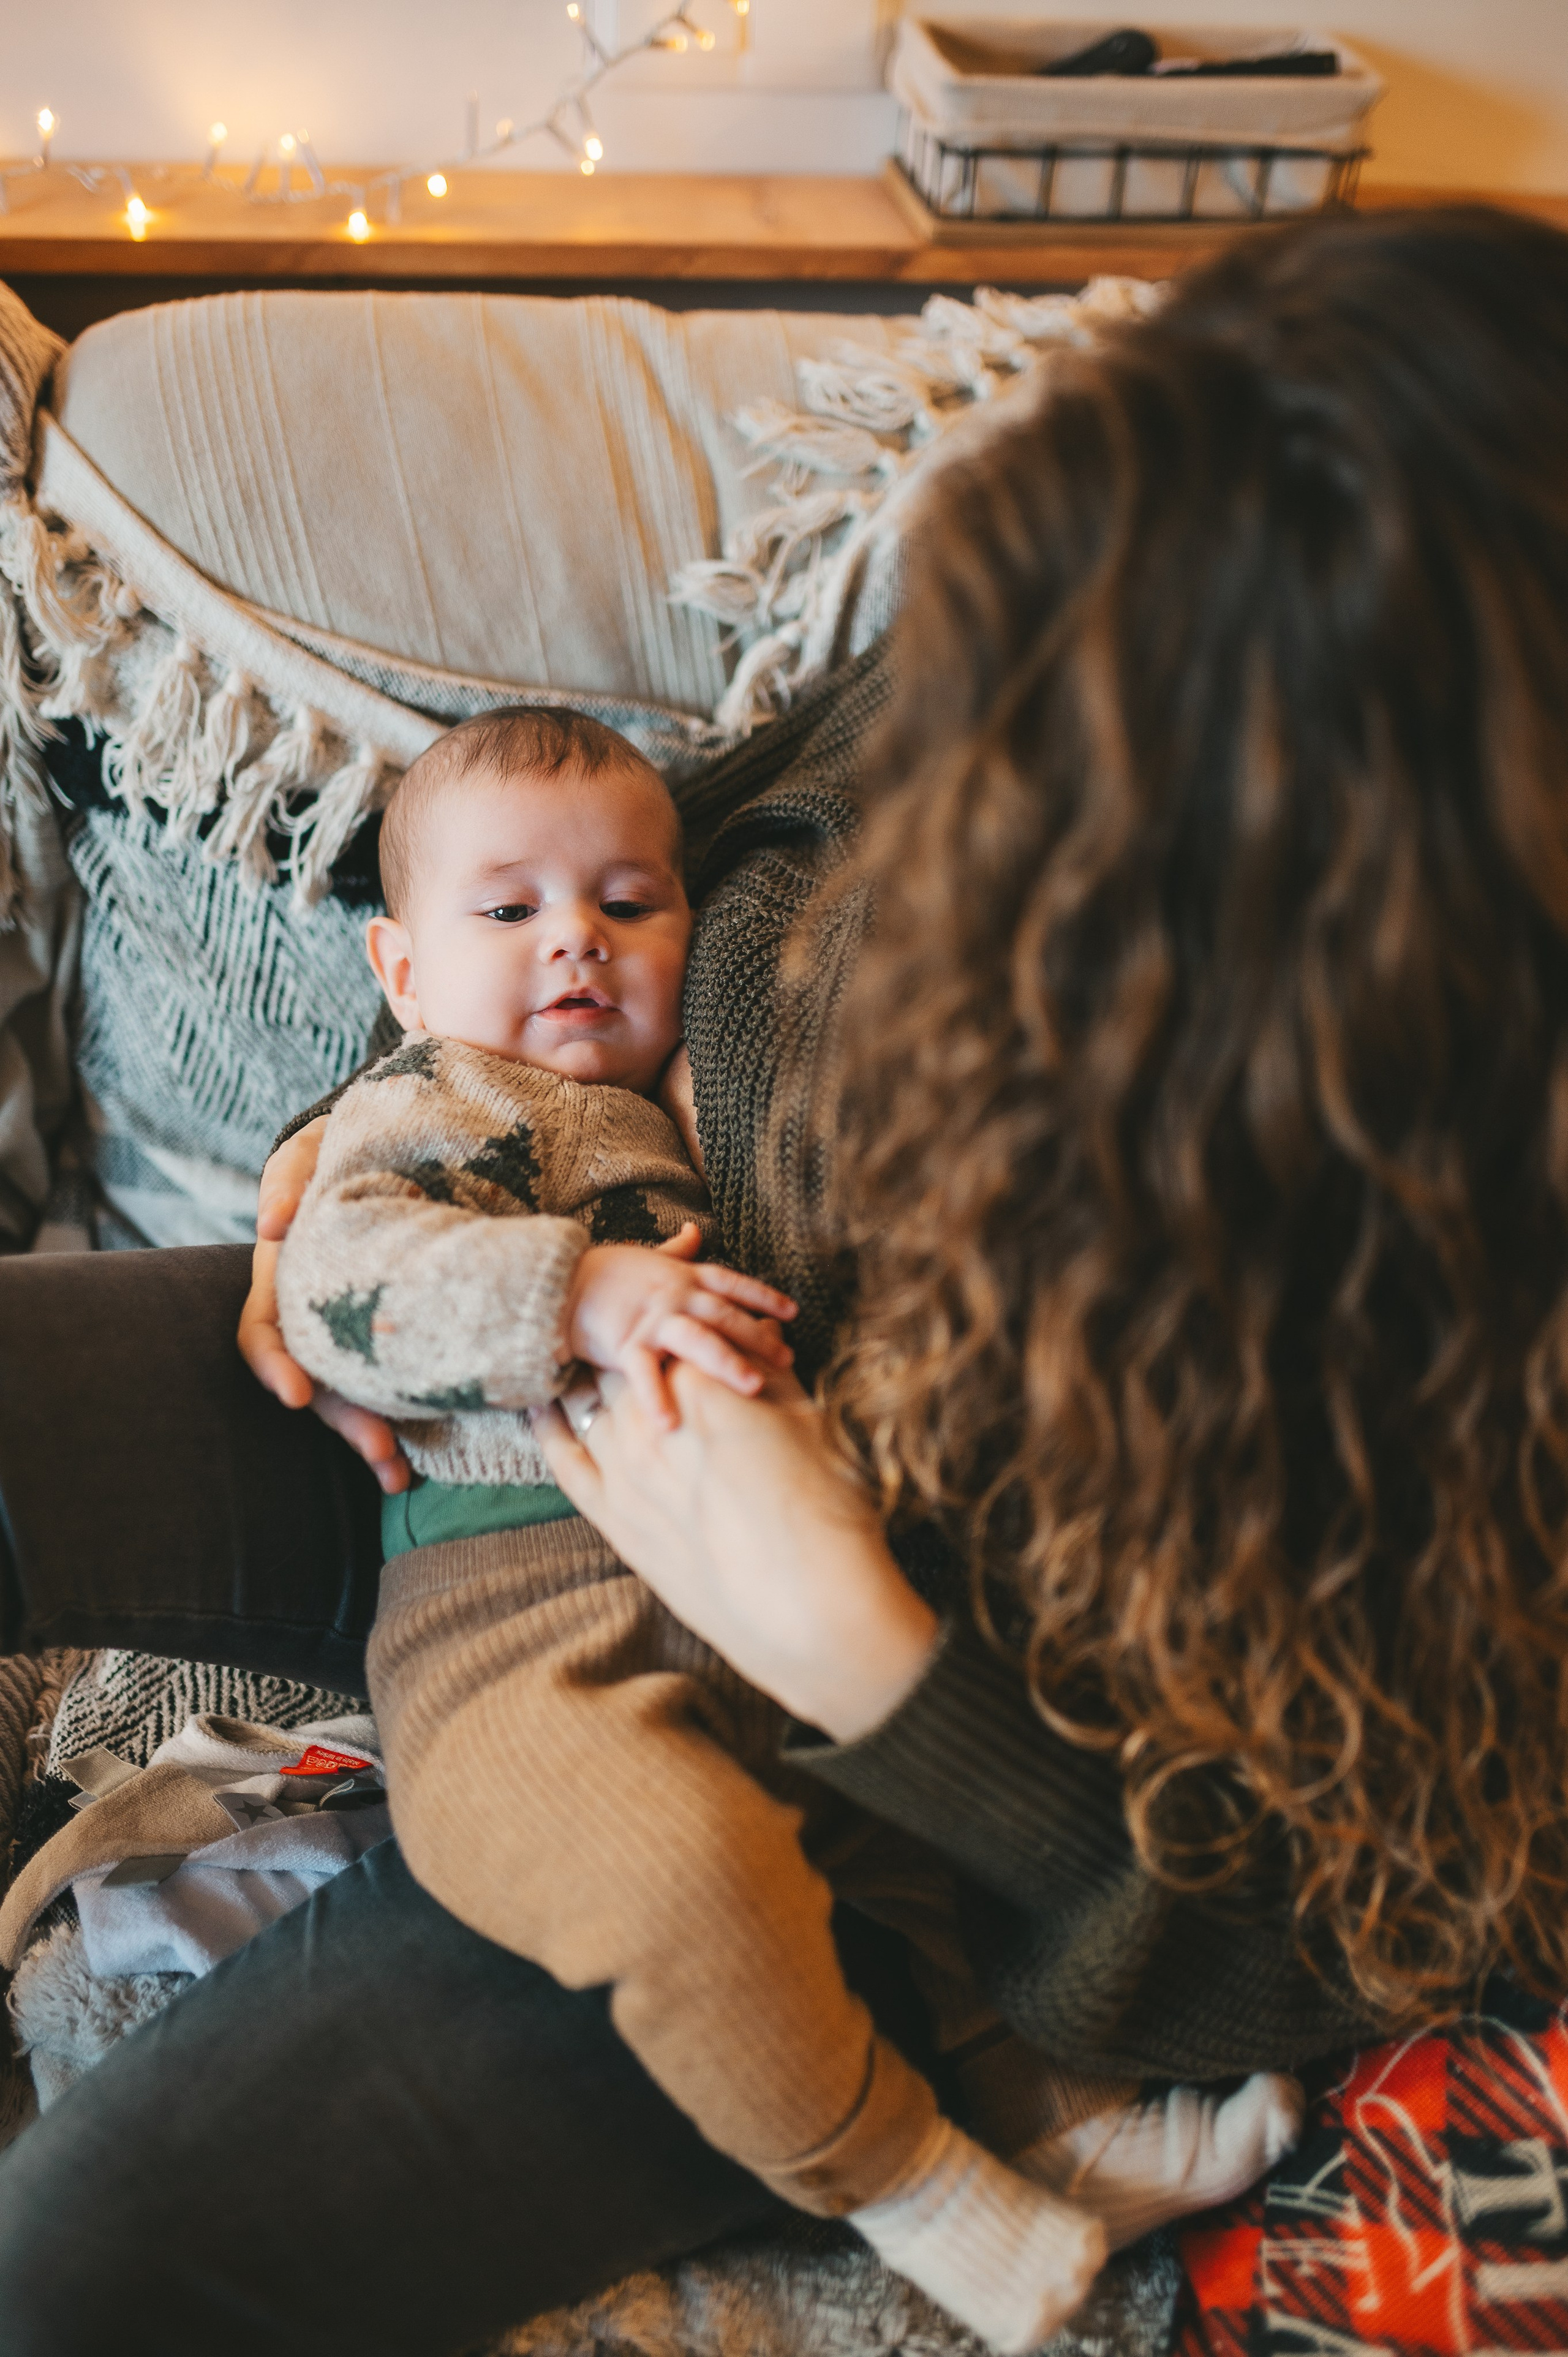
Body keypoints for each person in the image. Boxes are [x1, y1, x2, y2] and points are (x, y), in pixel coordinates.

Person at [0, 203, 1564, 2355]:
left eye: (1095, 782)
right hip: (505, 1366)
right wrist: (355, 1186)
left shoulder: (1469, 1316)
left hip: (794, 1787)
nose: (999, 803)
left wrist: (872, 1659)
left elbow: (1320, 1934)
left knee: (71, 2272)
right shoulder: (1020, 643)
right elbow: (564, 901)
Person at [278, 701, 1295, 2353]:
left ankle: (1052, 2122)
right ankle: (904, 2185)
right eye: (511, 910)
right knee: (690, 1875)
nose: (578, 948)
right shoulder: (442, 1097)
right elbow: (341, 1284)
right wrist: (579, 1290)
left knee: (906, 1864)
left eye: (627, 904)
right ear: (398, 974)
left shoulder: (674, 1109)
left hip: (750, 1593)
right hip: (515, 1633)